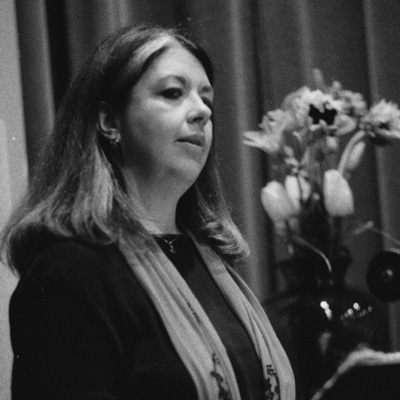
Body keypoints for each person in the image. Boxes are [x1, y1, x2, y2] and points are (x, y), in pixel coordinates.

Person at [1, 25, 295, 400]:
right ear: (109, 121)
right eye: (173, 93)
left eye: (207, 99)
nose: (202, 111)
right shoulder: (70, 271)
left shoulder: (206, 258)